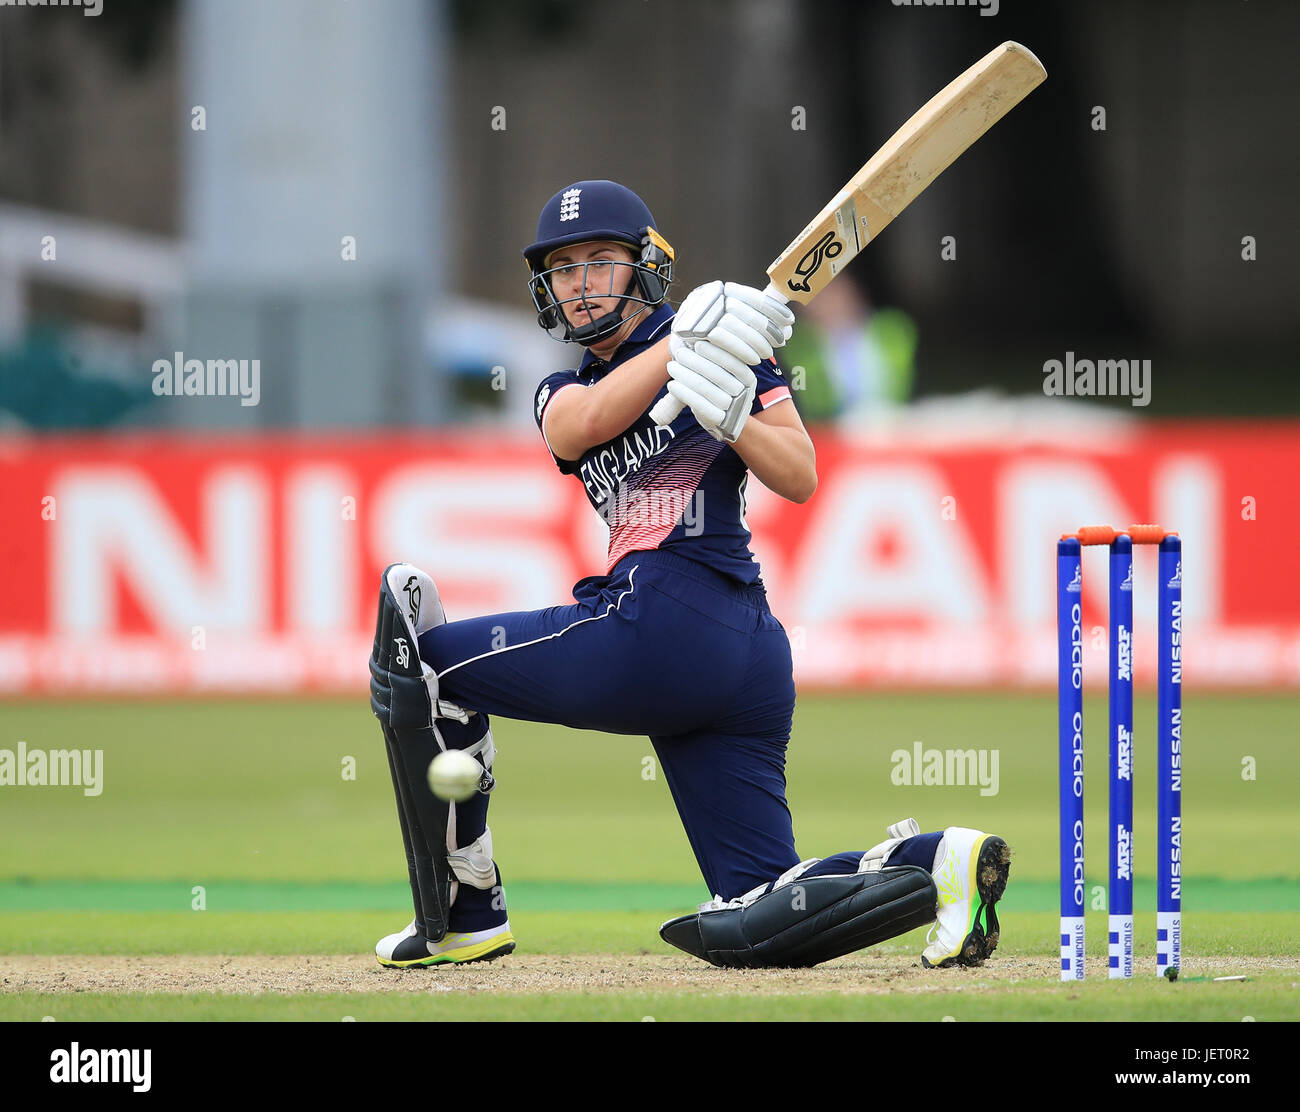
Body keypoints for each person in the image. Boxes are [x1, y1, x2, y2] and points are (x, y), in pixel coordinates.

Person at [368, 180, 1010, 970]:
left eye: (600, 261)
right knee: (764, 904)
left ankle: (467, 914)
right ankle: (940, 863)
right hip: (737, 657)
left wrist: (735, 416)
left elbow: (800, 474)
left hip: (666, 621)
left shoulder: (733, 345)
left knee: (423, 667)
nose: (579, 282)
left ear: (645, 267)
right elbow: (582, 425)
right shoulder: (569, 382)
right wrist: (684, 350)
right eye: (562, 268)